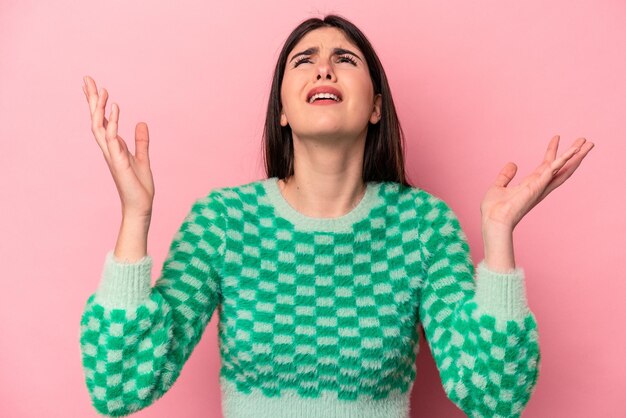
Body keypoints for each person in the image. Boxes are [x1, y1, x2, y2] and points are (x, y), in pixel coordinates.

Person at [78, 14, 593, 418]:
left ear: (375, 107)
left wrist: (498, 238)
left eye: (344, 59)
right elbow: (118, 387)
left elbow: (495, 399)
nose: (324, 68)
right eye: (303, 61)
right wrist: (135, 216)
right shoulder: (224, 222)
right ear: (281, 108)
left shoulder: (422, 227)